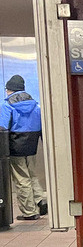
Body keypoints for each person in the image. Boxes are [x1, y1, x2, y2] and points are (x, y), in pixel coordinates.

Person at [1, 75, 47, 220]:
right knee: (31, 174)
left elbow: (2, 128)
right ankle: (40, 199)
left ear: (9, 90)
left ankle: (29, 212)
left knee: (21, 179)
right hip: (32, 146)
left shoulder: (7, 105)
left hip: (15, 145)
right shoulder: (35, 105)